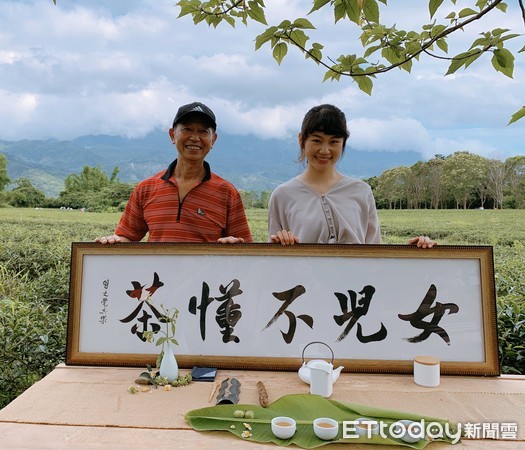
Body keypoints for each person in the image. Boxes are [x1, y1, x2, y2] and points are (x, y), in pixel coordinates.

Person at [268, 104, 436, 248]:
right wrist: (282, 245)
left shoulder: (361, 191)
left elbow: (374, 254)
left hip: (355, 285)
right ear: (301, 140)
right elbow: (275, 262)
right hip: (306, 284)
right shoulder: (282, 195)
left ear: (343, 144)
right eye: (317, 141)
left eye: (334, 142)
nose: (325, 150)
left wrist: (412, 253)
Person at [96, 101, 252, 244]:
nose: (195, 138)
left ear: (213, 140)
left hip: (205, 276)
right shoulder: (146, 189)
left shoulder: (227, 193)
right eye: (187, 129)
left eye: (203, 132)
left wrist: (236, 246)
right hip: (157, 275)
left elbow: (245, 247)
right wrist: (112, 243)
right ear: (172, 135)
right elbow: (128, 236)